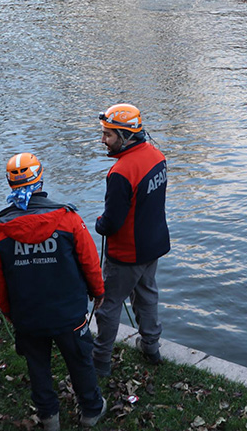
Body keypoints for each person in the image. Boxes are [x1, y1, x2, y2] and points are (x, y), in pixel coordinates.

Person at [0, 153, 107, 430]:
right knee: (80, 361)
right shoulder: (68, 218)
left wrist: (8, 310)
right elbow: (89, 262)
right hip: (68, 313)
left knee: (37, 365)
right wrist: (98, 291)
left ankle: (48, 416)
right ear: (40, 178)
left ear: (10, 184)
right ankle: (90, 410)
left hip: (27, 314)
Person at [91, 104, 170, 377]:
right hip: (154, 244)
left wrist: (100, 224)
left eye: (108, 135)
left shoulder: (121, 172)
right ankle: (151, 347)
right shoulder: (157, 157)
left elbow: (111, 222)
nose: (103, 140)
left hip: (126, 252)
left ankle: (100, 359)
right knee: (147, 295)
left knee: (108, 304)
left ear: (125, 136)